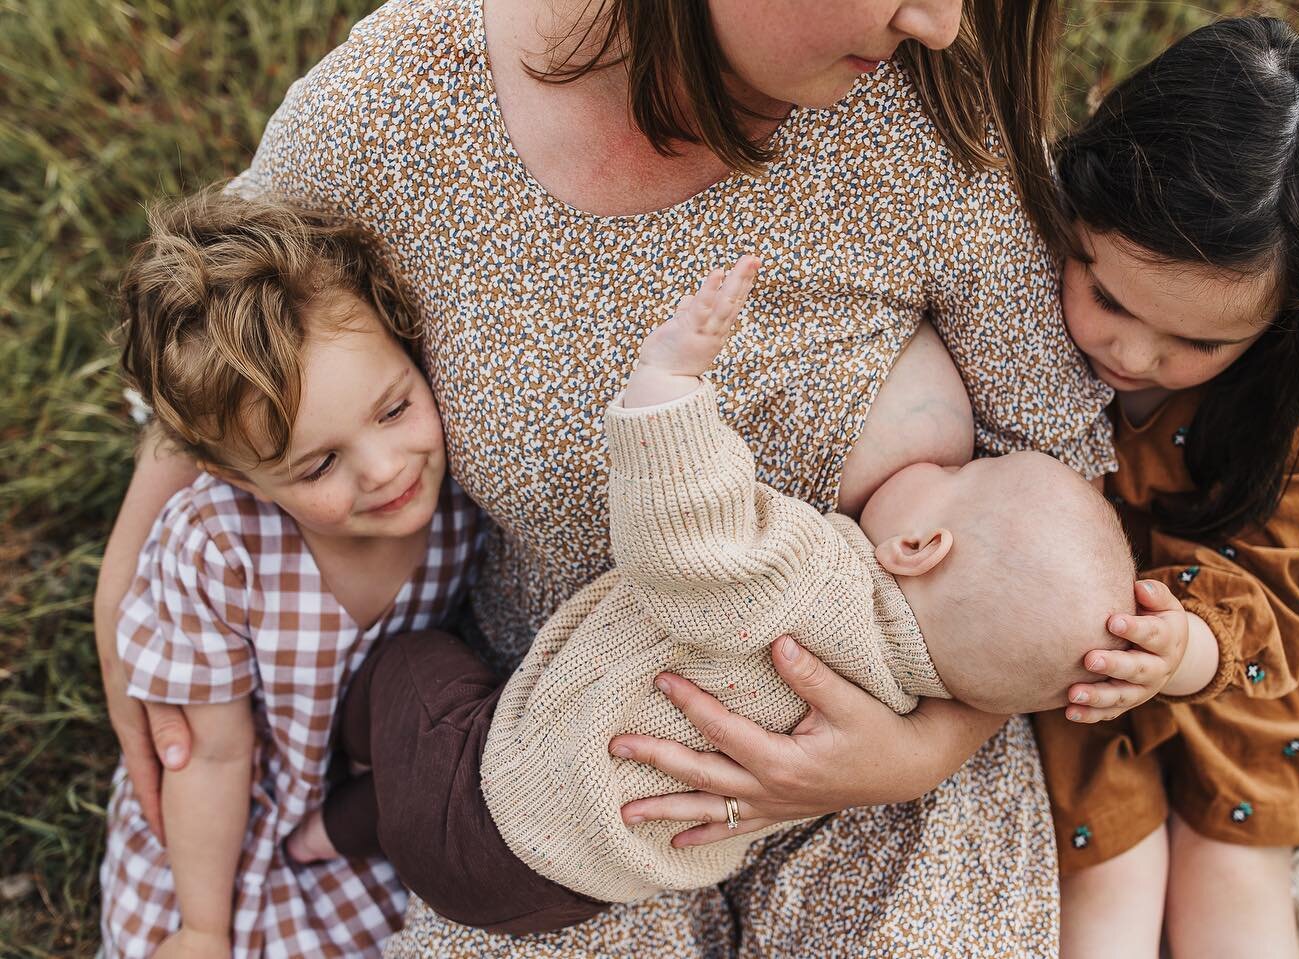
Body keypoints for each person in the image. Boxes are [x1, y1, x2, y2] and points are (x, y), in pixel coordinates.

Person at [94, 0, 1116, 953]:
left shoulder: (932, 105)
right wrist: (128, 578)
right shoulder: (401, 103)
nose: (940, 23)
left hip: (891, 748)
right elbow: (220, 327)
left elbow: (1060, 489)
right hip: (558, 753)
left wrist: (923, 750)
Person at [289, 257, 1152, 908]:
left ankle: (338, 802)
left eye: (965, 474)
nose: (948, 465)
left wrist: (670, 386)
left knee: (413, 671)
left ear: (921, 544)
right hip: (579, 889)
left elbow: (688, 536)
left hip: (497, 812)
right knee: (433, 769)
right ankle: (351, 826)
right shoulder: (892, 701)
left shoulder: (812, 582)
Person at [1030, 17, 1299, 958]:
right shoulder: (1028, 237)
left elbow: (1274, 568)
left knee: (1231, 852)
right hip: (1067, 622)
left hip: (1235, 607)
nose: (1130, 353)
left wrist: (1190, 649)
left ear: (1292, 325)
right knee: (1107, 871)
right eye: (1108, 298)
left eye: (1201, 344)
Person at [98, 191, 481, 957]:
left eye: (394, 408)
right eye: (319, 464)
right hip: (223, 810)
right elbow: (212, 754)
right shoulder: (218, 548)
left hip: (366, 806)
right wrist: (204, 925)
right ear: (236, 478)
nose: (386, 470)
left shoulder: (466, 499)